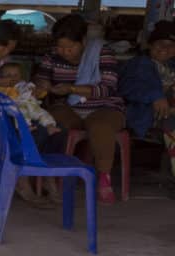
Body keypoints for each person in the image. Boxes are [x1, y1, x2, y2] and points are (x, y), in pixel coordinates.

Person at [35, 14, 125, 204]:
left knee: (100, 127)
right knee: (52, 122)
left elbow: (108, 88)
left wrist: (73, 88)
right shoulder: (52, 56)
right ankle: (52, 176)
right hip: (68, 107)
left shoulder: (102, 52)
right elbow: (41, 77)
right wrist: (43, 86)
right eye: (60, 47)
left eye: (70, 47)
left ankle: (103, 179)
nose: (64, 52)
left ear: (83, 41)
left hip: (104, 106)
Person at [0, 62, 67, 205]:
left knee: (59, 131)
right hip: (13, 122)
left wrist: (37, 90)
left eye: (15, 75)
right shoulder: (2, 89)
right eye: (7, 75)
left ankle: (47, 175)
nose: (12, 78)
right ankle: (22, 177)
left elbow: (37, 95)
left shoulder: (23, 86)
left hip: (31, 115)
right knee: (39, 133)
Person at [119, 20, 175, 178]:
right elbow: (126, 88)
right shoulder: (138, 64)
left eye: (170, 44)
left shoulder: (171, 66)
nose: (164, 48)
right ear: (150, 45)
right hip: (145, 115)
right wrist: (155, 96)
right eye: (159, 43)